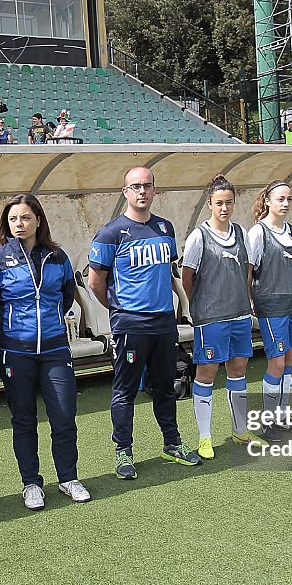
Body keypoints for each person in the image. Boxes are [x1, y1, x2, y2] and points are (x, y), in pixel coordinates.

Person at [88, 166, 203, 479]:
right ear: (125, 192)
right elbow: (95, 281)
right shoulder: (111, 233)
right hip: (130, 325)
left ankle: (172, 444)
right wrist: (118, 310)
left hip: (163, 324)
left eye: (147, 186)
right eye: (135, 186)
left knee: (166, 386)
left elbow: (167, 272)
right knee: (125, 391)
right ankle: (123, 451)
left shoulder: (165, 228)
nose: (142, 192)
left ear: (154, 190)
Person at [0, 194, 91, 509]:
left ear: (38, 220)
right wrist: (14, 327)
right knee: (24, 419)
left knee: (64, 416)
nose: (19, 224)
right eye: (13, 219)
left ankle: (68, 478)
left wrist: (50, 321)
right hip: (16, 351)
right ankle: (31, 484)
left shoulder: (57, 257)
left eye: (25, 218)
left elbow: (67, 296)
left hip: (55, 348)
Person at [182, 175, 256, 457]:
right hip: (211, 319)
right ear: (210, 204)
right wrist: (201, 305)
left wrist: (244, 299)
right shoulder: (199, 237)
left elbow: (247, 269)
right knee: (207, 374)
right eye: (219, 203)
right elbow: (187, 277)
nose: (224, 208)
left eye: (229, 203)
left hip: (239, 315)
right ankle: (204, 436)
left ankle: (240, 431)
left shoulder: (241, 233)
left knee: (238, 371)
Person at [247, 180, 292, 438]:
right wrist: (249, 302)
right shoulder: (258, 233)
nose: (285, 203)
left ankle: (282, 416)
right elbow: (248, 271)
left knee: (290, 361)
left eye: (288, 199)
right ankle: (268, 422)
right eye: (280, 199)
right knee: (277, 362)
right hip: (272, 306)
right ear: (268, 201)